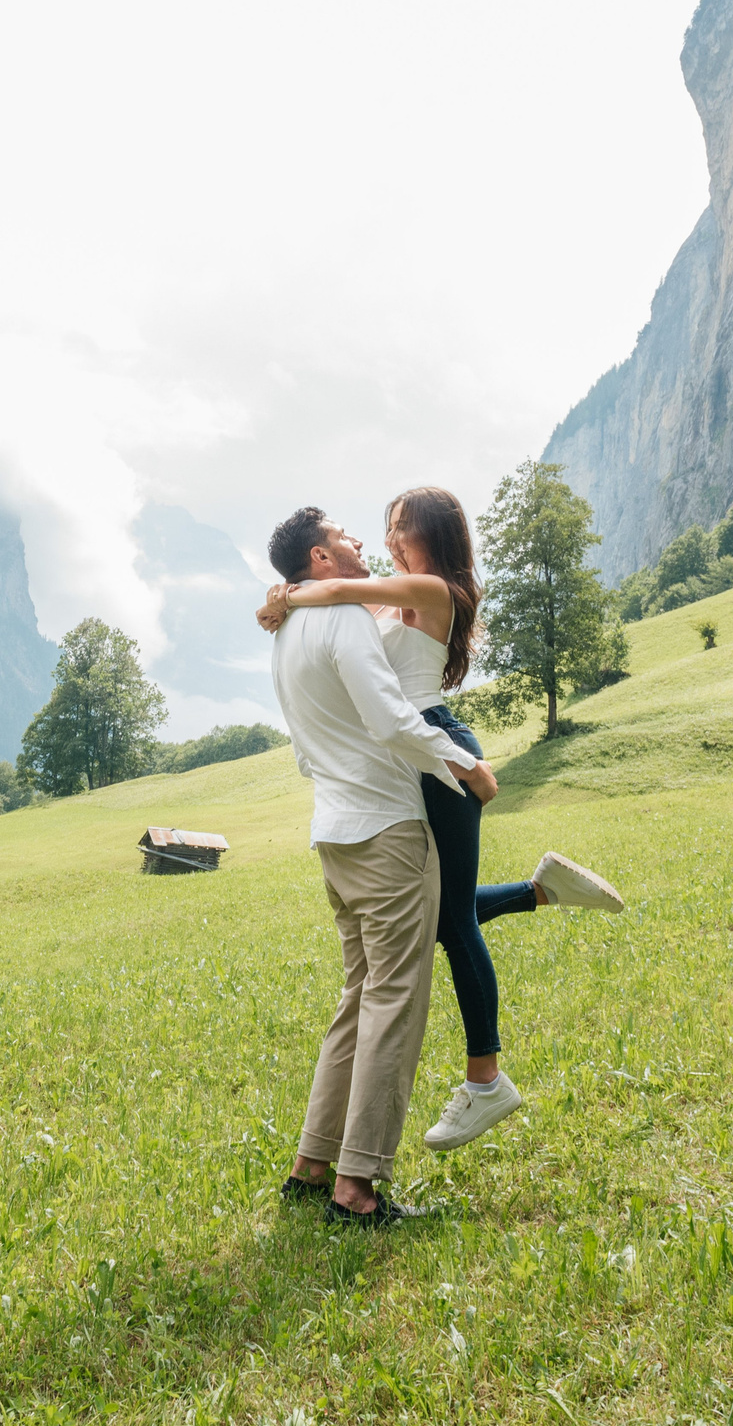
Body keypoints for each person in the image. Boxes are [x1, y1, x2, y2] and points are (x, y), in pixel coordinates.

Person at [259, 486, 623, 1155]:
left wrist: (287, 594)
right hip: (415, 757)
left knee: (447, 921)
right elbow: (338, 611)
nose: (389, 540)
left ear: (430, 534)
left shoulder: (434, 590)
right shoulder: (387, 593)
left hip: (439, 749)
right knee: (434, 914)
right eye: (387, 529)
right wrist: (292, 595)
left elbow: (331, 597)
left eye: (400, 529)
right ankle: (539, 891)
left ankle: (485, 1077)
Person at [265, 505, 498, 1226]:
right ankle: (357, 1187)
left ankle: (313, 1162)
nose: (362, 538)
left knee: (358, 996)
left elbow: (307, 747)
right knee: (394, 1000)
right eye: (345, 534)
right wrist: (469, 766)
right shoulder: (343, 618)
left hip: (333, 830)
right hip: (384, 829)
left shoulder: (287, 632)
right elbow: (394, 721)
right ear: (321, 558)